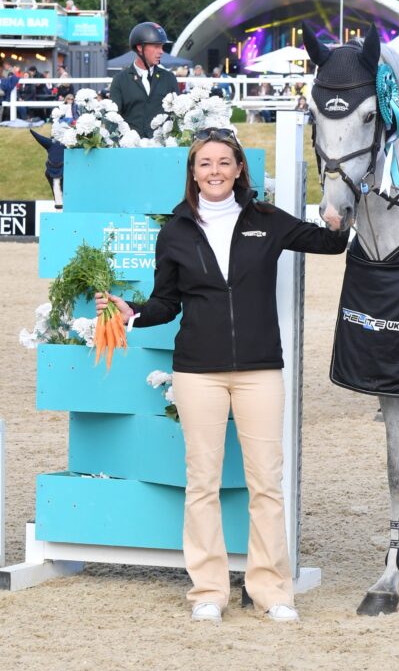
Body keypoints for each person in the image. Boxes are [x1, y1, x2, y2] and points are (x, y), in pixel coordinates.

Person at [95, 128, 349, 623]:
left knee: (266, 484)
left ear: (239, 170)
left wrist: (338, 221)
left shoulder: (268, 221)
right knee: (203, 483)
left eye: (224, 162)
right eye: (205, 163)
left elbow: (328, 243)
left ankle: (272, 590)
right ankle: (209, 591)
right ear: (193, 172)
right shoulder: (175, 231)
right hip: (197, 373)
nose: (214, 171)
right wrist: (133, 314)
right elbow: (167, 302)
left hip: (259, 371)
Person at [109, 22, 179, 137]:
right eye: (156, 47)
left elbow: (176, 115)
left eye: (161, 46)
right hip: (132, 148)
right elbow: (113, 118)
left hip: (162, 147)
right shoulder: (120, 80)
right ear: (140, 48)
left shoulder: (169, 78)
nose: (161, 51)